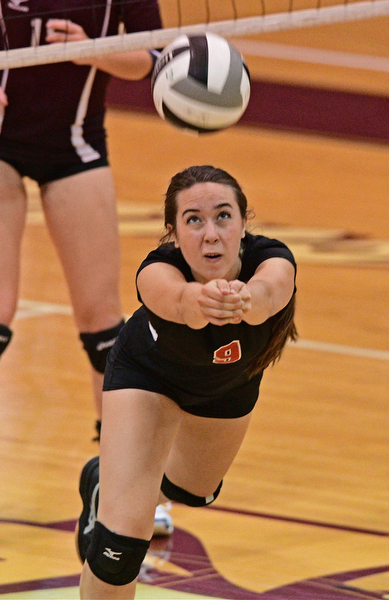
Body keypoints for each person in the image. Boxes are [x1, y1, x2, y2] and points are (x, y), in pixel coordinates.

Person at [76, 164, 298, 599]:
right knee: (121, 543)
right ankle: (120, 497)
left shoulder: (273, 260)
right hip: (147, 378)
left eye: (222, 216)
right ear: (174, 234)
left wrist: (245, 298)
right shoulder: (156, 272)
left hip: (228, 384)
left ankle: (110, 479)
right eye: (193, 220)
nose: (210, 233)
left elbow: (269, 294)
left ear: (243, 223)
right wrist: (206, 300)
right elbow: (180, 303)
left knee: (191, 491)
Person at [0, 0, 173, 535]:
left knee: (105, 329)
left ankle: (121, 488)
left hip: (75, 147)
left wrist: (92, 51)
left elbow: (155, 59)